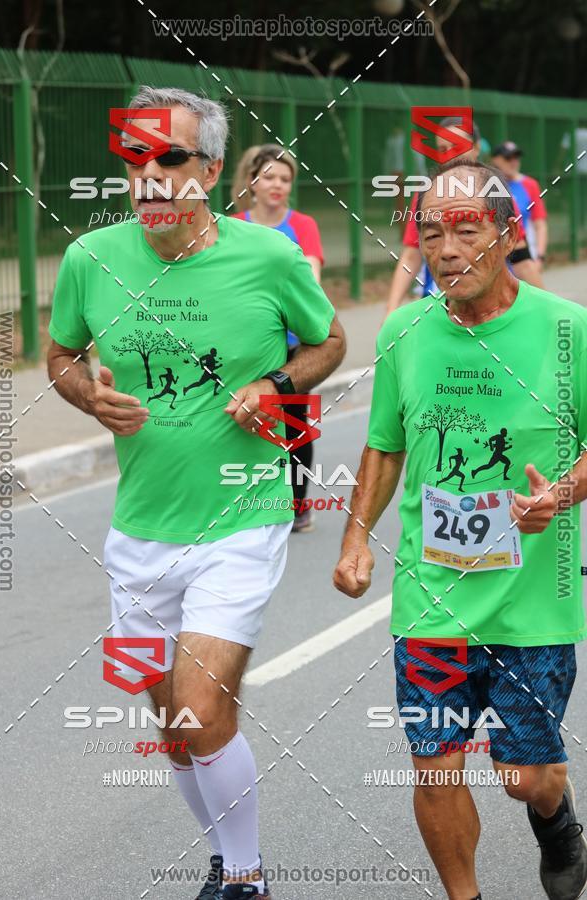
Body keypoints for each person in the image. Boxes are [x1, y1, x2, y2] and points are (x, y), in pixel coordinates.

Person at [48, 86, 345, 900]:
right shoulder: (90, 258)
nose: (149, 173)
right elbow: (61, 354)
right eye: (135, 156)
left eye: (170, 156)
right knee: (174, 733)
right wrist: (87, 395)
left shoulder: (269, 257)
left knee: (203, 715)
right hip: (139, 529)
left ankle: (246, 879)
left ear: (210, 171)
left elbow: (329, 341)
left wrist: (276, 382)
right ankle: (225, 855)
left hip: (240, 517)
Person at [334, 158, 587, 900]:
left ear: (509, 235)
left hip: (533, 602)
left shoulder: (568, 330)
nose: (445, 250)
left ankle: (557, 816)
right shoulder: (405, 331)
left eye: (466, 230)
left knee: (523, 776)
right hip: (432, 597)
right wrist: (355, 540)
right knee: (435, 766)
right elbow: (385, 444)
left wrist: (564, 493)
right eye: (431, 232)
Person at [231, 143, 324, 533]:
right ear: (252, 181)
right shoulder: (234, 224)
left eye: (285, 179)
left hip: (290, 346)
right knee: (242, 421)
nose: (277, 185)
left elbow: (312, 283)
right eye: (269, 176)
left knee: (294, 424)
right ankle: (241, 501)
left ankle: (299, 504)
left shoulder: (302, 226)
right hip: (243, 344)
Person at [384, 118, 544, 318]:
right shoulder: (426, 195)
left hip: (493, 311)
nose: (450, 155)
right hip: (439, 311)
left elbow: (522, 261)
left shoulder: (497, 194)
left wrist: (546, 313)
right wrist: (391, 309)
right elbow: (410, 255)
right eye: (442, 149)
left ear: (476, 148)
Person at [491, 141, 548, 269]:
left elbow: (540, 225)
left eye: (516, 157)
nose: (513, 162)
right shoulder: (487, 185)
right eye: (508, 158)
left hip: (524, 257)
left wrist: (539, 257)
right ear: (495, 160)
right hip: (496, 261)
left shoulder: (530, 184)